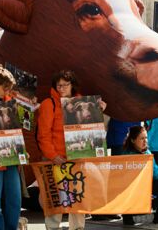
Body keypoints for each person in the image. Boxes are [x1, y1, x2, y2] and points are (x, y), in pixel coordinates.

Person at [37, 70, 102, 230]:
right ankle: (52, 228)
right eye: (59, 85)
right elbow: (43, 135)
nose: (62, 88)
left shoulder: (83, 102)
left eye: (65, 84)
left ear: (72, 85)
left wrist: (99, 110)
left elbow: (93, 131)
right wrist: (53, 156)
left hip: (77, 160)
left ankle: (78, 228)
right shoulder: (48, 104)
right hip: (55, 160)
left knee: (78, 196)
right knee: (54, 199)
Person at [122, 125, 158, 225]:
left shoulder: (147, 152)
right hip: (133, 190)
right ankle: (127, 215)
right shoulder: (126, 155)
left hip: (148, 186)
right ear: (132, 140)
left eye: (146, 138)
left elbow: (156, 172)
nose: (145, 141)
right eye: (141, 138)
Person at [0, 64, 20, 230]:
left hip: (10, 158)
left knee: (14, 199)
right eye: (5, 88)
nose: (8, 92)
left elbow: (21, 127)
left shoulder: (9, 101)